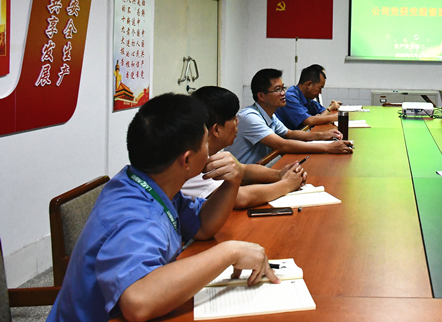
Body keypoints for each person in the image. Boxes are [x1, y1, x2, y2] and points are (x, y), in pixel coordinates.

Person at [47, 94, 278, 322]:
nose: (210, 150)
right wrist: (229, 252)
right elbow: (138, 302)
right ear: (186, 161)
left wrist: (233, 181)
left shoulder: (147, 182)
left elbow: (203, 226)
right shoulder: (138, 217)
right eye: (206, 143)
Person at [184, 86, 307, 208]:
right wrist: (287, 184)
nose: (237, 122)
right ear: (216, 129)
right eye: (233, 119)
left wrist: (279, 174)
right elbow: (240, 198)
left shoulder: (209, 151)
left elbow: (243, 169)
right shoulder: (192, 161)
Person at [228, 68, 353, 165]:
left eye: (283, 88)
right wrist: (328, 147)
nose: (283, 93)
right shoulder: (250, 117)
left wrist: (324, 135)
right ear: (261, 96)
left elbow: (290, 133)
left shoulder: (269, 115)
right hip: (243, 179)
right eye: (277, 89)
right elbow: (282, 145)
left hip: (261, 168)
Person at [276, 64, 342, 130]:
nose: (320, 92)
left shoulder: (307, 98)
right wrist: (335, 117)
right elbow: (309, 121)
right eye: (320, 88)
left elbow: (323, 111)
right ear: (309, 84)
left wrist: (319, 117)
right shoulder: (289, 97)